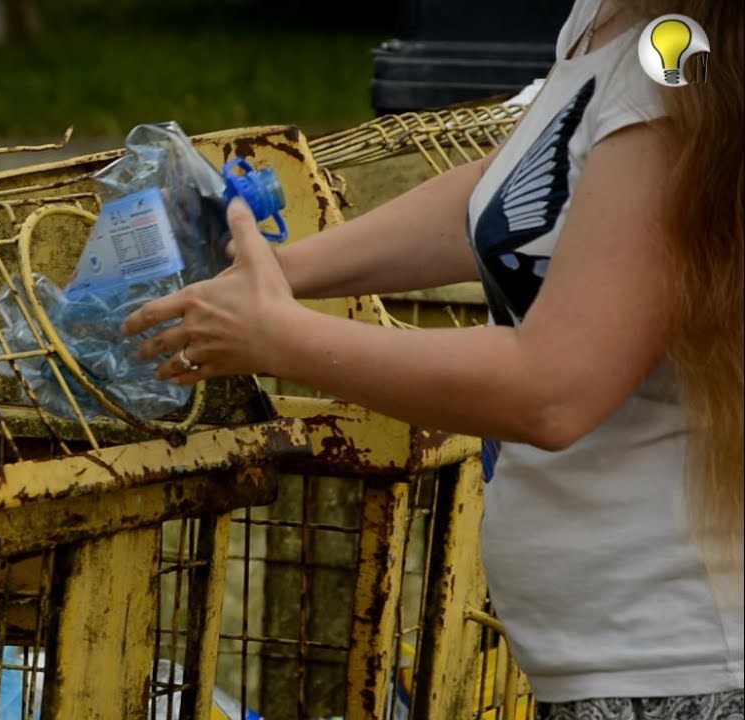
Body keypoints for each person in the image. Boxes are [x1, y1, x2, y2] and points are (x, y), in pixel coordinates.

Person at [121, 0, 743, 716]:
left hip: (681, 672)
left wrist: (280, 338)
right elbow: (510, 196)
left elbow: (554, 389)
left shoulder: (674, 73)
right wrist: (277, 273)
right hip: (617, 664)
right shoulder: (608, 19)